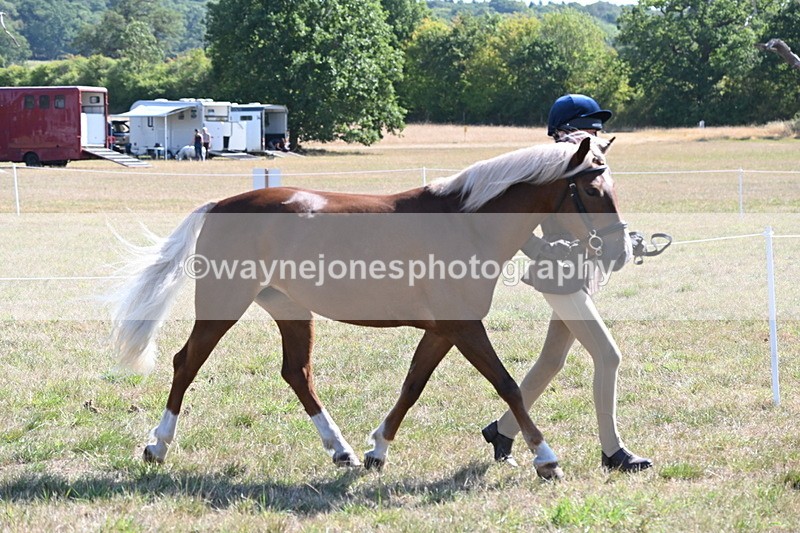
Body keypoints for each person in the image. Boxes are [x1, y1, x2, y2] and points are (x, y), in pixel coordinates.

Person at [481, 94, 653, 473]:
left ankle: (503, 430)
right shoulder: (548, 167)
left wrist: (626, 239)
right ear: (566, 129)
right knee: (608, 356)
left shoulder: (584, 164)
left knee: (551, 362)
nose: (598, 130)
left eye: (599, 125)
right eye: (590, 124)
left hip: (581, 273)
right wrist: (542, 249)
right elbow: (511, 220)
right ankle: (613, 452)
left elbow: (595, 217)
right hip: (560, 278)